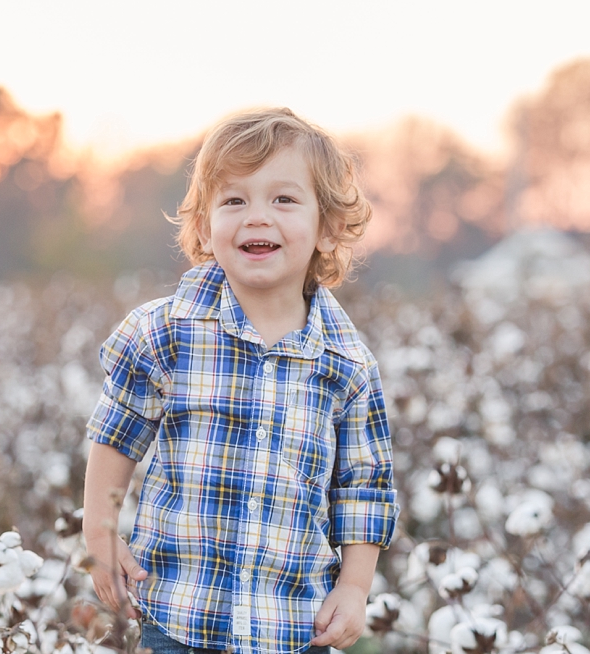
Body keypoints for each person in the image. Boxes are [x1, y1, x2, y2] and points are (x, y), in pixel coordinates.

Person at [82, 108, 398, 654]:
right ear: (204, 227)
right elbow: (115, 434)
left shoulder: (346, 362)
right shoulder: (166, 331)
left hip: (294, 624)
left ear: (327, 229)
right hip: (180, 612)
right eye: (234, 200)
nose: (257, 217)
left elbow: (364, 486)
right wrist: (100, 532)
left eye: (283, 200)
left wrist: (354, 586)